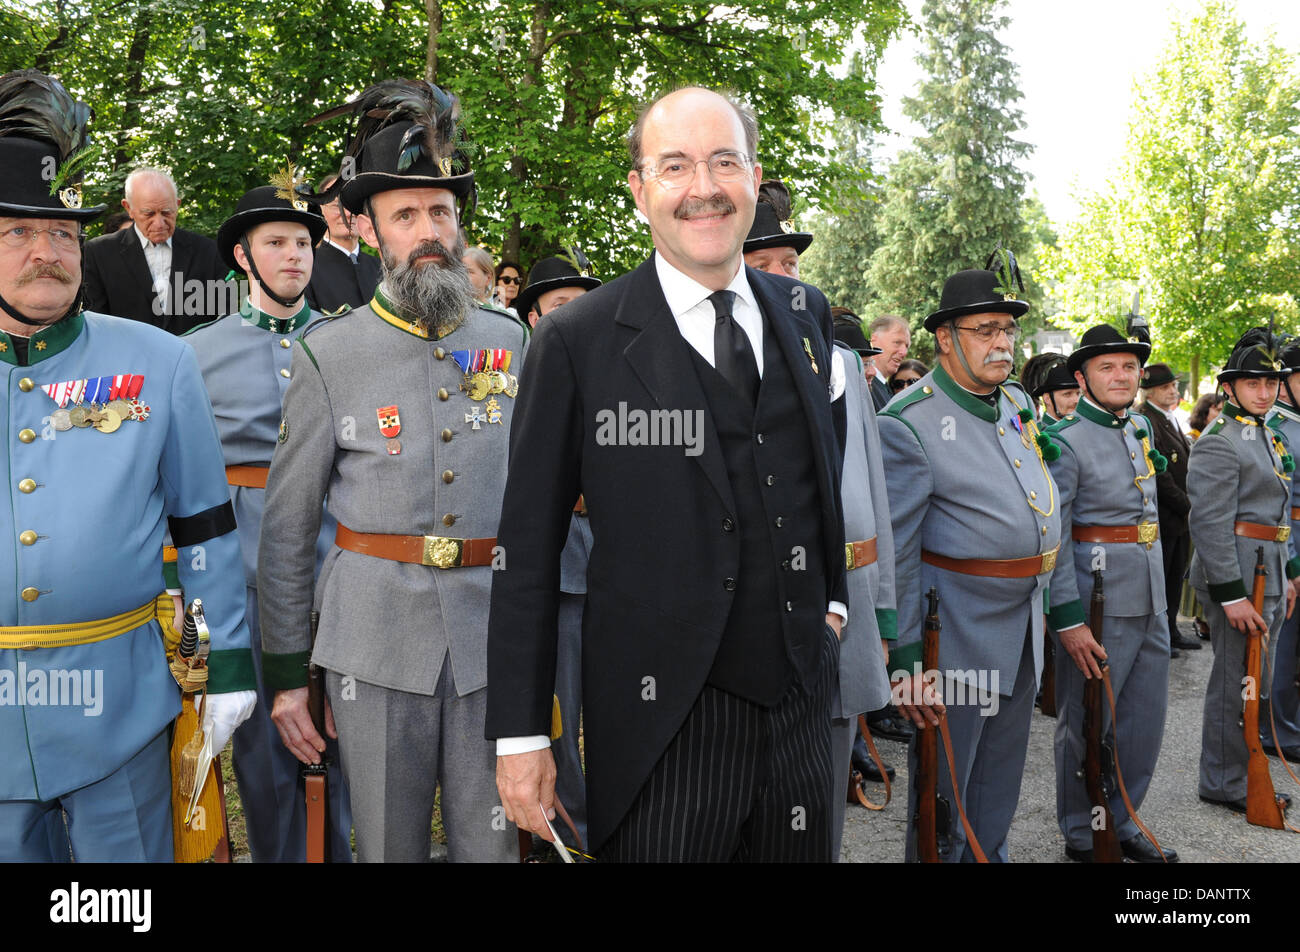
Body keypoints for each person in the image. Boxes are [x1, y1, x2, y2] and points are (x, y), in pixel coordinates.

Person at [487, 86, 848, 862]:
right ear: (640, 189)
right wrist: (521, 734)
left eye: (724, 161)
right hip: (661, 731)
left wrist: (835, 606)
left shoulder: (805, 315)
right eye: (675, 165)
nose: (704, 187)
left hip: (800, 712)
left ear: (754, 177)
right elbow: (524, 550)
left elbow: (821, 465)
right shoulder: (577, 342)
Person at [258, 80, 526, 862]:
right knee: (384, 848)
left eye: (440, 211)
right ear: (372, 231)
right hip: (370, 649)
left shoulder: (515, 344)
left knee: (493, 847)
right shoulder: (328, 353)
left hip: (492, 644)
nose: (428, 230)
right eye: (405, 215)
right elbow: (287, 529)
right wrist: (286, 675)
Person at [0, 68, 254, 861]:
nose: (49, 252)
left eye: (66, 234)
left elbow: (205, 529)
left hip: (124, 705)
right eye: (20, 233)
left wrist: (228, 663)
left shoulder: (158, 362)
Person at [183, 177, 353, 862]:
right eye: (276, 243)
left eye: (304, 242)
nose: (295, 255)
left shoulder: (349, 341)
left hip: (342, 565)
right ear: (243, 261)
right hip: (242, 573)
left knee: (347, 742)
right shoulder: (194, 353)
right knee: (264, 749)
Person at [880, 252, 1060, 862]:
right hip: (952, 637)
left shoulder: (1013, 405)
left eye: (1008, 329)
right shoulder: (909, 422)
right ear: (945, 338)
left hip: (1021, 626)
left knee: (997, 785)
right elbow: (896, 555)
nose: (1002, 342)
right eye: (985, 330)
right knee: (943, 799)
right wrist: (907, 663)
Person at [742, 181, 895, 850]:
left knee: (825, 795)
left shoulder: (838, 364)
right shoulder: (707, 362)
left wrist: (884, 613)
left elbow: (875, 496)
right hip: (753, 616)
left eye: (791, 265)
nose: (783, 278)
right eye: (764, 264)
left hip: (846, 609)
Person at [1043, 324, 1178, 863]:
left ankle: (1121, 820)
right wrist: (1069, 617)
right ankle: (1083, 832)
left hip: (1150, 592)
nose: (1120, 376)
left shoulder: (1138, 427)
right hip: (1096, 598)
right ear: (1082, 378)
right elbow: (1053, 535)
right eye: (1107, 367)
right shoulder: (1065, 440)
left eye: (1128, 367)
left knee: (1143, 719)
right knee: (1086, 720)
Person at [509, 246, 602, 847]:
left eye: (583, 304)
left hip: (620, 568)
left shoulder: (626, 364)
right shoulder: (516, 377)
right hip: (563, 563)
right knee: (563, 713)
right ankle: (571, 831)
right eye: (561, 306)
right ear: (536, 319)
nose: (576, 316)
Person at [1190, 327, 1297, 814]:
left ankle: (1239, 771)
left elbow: (1279, 511)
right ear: (1229, 387)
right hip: (1238, 576)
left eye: (1271, 383)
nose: (1265, 391)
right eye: (1253, 383)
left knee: (1258, 676)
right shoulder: (1220, 440)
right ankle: (1225, 779)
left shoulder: (1267, 433)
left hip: (1269, 571)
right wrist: (1230, 594)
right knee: (1237, 679)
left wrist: (1291, 570)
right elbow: (1210, 523)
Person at [82, 167, 229, 334]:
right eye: (148, 214)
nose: (159, 223)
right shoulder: (98, 253)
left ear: (178, 205)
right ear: (128, 208)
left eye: (167, 212)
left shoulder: (209, 251)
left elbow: (224, 317)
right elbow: (94, 323)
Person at [1137, 363, 1200, 655]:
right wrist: (1189, 505)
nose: (1173, 391)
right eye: (1166, 387)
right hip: (1164, 516)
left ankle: (1171, 629)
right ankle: (1160, 634)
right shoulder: (1145, 420)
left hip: (1179, 518)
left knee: (1175, 577)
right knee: (1160, 580)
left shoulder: (1169, 418)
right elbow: (1159, 476)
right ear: (1150, 391)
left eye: (1174, 386)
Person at [1263, 337, 1300, 761]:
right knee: (1283, 644)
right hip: (1290, 540)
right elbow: (1280, 503)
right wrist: (1291, 563)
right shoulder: (1277, 427)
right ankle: (1276, 729)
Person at [304, 173, 381, 314]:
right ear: (321, 211)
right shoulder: (306, 267)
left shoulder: (383, 268)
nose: (347, 213)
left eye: (354, 205)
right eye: (336, 205)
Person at [1019, 351, 1080, 424]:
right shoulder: (1039, 434)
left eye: (1078, 393)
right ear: (1047, 398)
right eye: (1067, 394)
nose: (1076, 400)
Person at [868, 314, 910, 410]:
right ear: (872, 339)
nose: (904, 352)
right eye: (897, 343)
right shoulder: (865, 385)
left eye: (907, 346)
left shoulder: (886, 388)